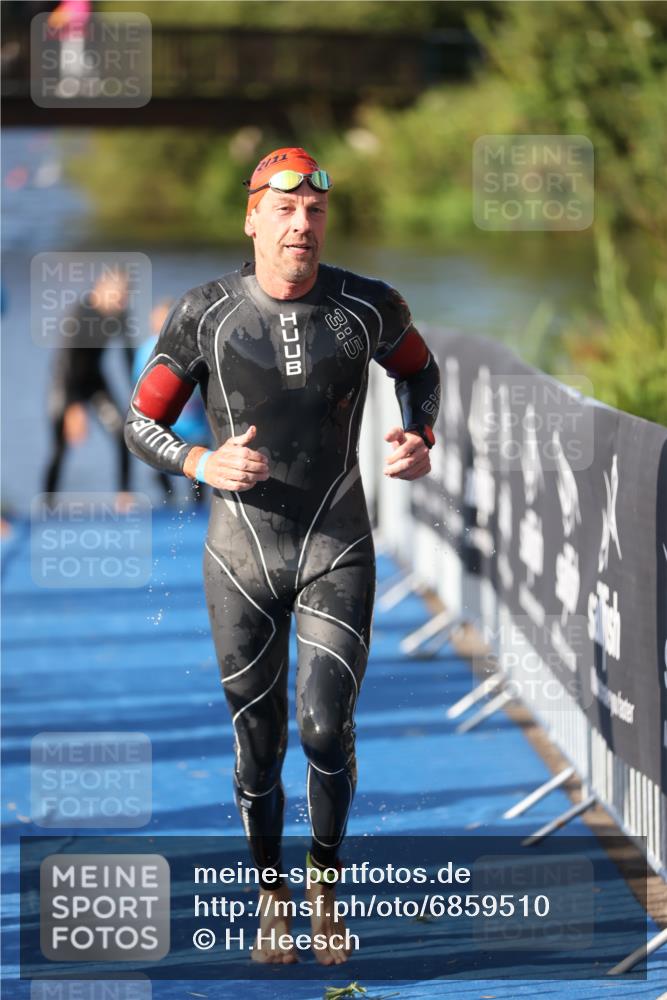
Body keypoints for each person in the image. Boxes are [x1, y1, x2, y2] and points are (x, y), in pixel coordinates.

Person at [124, 147, 440, 965]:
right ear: (252, 217)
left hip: (337, 542)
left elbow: (420, 370)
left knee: (324, 728)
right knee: (258, 742)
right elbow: (140, 421)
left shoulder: (366, 306)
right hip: (240, 554)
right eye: (285, 210)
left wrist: (420, 433)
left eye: (315, 213)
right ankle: (271, 894)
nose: (302, 227)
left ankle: (326, 885)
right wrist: (201, 463)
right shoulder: (206, 313)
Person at [44, 269, 134, 505]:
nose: (121, 302)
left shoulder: (119, 314)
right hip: (66, 382)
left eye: (125, 297)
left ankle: (123, 496)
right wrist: (73, 408)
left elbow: (129, 357)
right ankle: (47, 503)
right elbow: (66, 362)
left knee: (122, 433)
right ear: (101, 290)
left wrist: (139, 391)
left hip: (95, 382)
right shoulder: (81, 313)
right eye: (117, 296)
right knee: (59, 448)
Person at [132, 300, 210, 505]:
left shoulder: (192, 345)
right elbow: (139, 386)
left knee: (198, 480)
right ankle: (169, 503)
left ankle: (196, 508)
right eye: (157, 318)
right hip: (165, 422)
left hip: (195, 422)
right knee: (163, 472)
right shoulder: (147, 349)